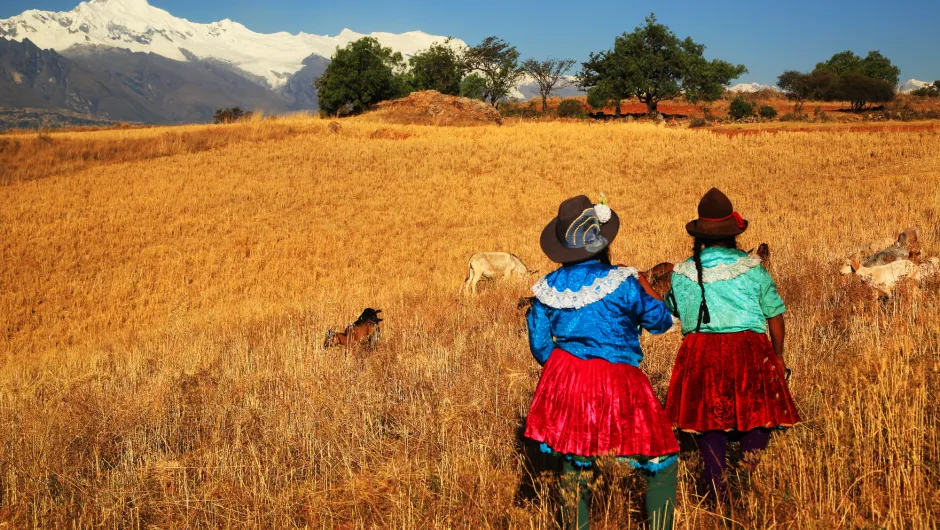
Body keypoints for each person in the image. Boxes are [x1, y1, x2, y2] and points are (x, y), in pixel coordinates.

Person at [525, 195, 679, 530]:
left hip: (566, 377)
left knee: (575, 456)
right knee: (659, 454)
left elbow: (539, 346)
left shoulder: (547, 289)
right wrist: (645, 287)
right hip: (619, 376)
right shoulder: (623, 281)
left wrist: (568, 369)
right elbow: (661, 322)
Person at [664, 188, 800, 503]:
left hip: (701, 351)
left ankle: (716, 488)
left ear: (699, 236)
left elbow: (672, 310)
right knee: (758, 413)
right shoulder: (752, 268)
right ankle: (746, 474)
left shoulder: (683, 273)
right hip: (749, 348)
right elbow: (775, 315)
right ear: (733, 234)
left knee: (709, 420)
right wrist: (778, 357)